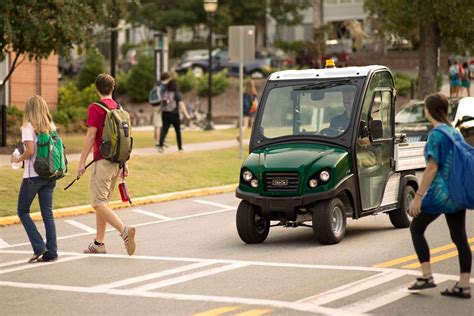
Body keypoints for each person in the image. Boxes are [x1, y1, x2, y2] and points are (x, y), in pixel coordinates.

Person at [408, 93, 471, 299]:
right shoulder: (454, 132)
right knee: (459, 238)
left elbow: (432, 167)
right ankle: (463, 284)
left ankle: (426, 276)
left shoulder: (436, 135)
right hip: (456, 192)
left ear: (429, 110)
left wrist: (418, 196)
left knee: (416, 227)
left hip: (440, 194)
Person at [78, 74, 136, 256]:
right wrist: (124, 163)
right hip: (116, 163)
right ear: (112, 88)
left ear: (97, 88)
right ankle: (99, 243)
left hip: (102, 162)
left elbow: (90, 136)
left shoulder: (95, 108)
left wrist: (81, 162)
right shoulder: (119, 108)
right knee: (103, 202)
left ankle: (123, 230)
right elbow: (124, 138)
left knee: (97, 203)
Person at [11, 95, 58, 262]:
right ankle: (51, 252)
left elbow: (30, 151)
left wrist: (17, 159)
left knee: (22, 211)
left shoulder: (27, 126)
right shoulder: (51, 126)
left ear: (29, 109)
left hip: (33, 176)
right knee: (47, 214)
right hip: (50, 174)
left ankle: (38, 246)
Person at [157, 77, 191, 152]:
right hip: (174, 114)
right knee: (178, 131)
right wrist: (186, 115)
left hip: (165, 114)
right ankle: (180, 147)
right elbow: (181, 104)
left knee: (164, 130)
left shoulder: (165, 92)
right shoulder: (176, 93)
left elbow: (162, 103)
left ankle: (160, 146)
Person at [151, 72, 172, 147]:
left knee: (157, 123)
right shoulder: (164, 86)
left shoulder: (157, 84)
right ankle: (158, 142)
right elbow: (166, 97)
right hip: (160, 106)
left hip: (154, 105)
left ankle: (160, 140)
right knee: (159, 124)